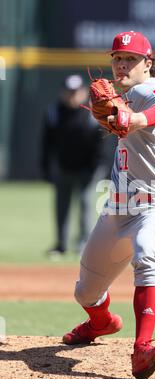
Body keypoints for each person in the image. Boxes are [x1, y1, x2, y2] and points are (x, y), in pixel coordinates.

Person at [62, 31, 155, 379]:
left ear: (149, 64)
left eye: (131, 59)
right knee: (86, 291)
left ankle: (142, 350)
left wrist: (137, 118)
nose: (122, 64)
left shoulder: (146, 93)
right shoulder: (126, 99)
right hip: (115, 214)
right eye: (117, 58)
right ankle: (102, 323)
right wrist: (118, 115)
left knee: (147, 251)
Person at [41, 75, 106, 256]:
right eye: (69, 92)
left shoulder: (93, 112)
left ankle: (84, 244)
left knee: (85, 204)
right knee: (62, 206)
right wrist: (46, 169)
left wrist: (96, 167)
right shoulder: (54, 112)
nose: (72, 96)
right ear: (62, 93)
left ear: (84, 92)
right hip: (64, 167)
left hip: (88, 168)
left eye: (75, 92)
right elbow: (47, 144)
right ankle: (60, 244)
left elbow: (101, 144)